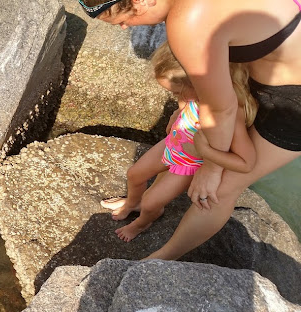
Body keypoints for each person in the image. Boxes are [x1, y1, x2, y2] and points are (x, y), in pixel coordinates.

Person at [78, 0, 301, 259]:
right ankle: (144, 203)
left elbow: (222, 109)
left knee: (218, 190)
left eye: (123, 21)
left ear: (141, 1)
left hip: (292, 102)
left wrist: (211, 167)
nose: (124, 28)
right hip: (269, 72)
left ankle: (160, 259)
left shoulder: (188, 20)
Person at [101, 42, 258, 242]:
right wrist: (177, 112)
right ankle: (132, 203)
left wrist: (206, 152)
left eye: (177, 93)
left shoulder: (232, 112)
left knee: (152, 203)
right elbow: (187, 107)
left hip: (188, 164)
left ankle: (143, 222)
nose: (175, 97)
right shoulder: (196, 93)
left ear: (198, 84)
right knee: (134, 175)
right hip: (171, 144)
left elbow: (246, 163)